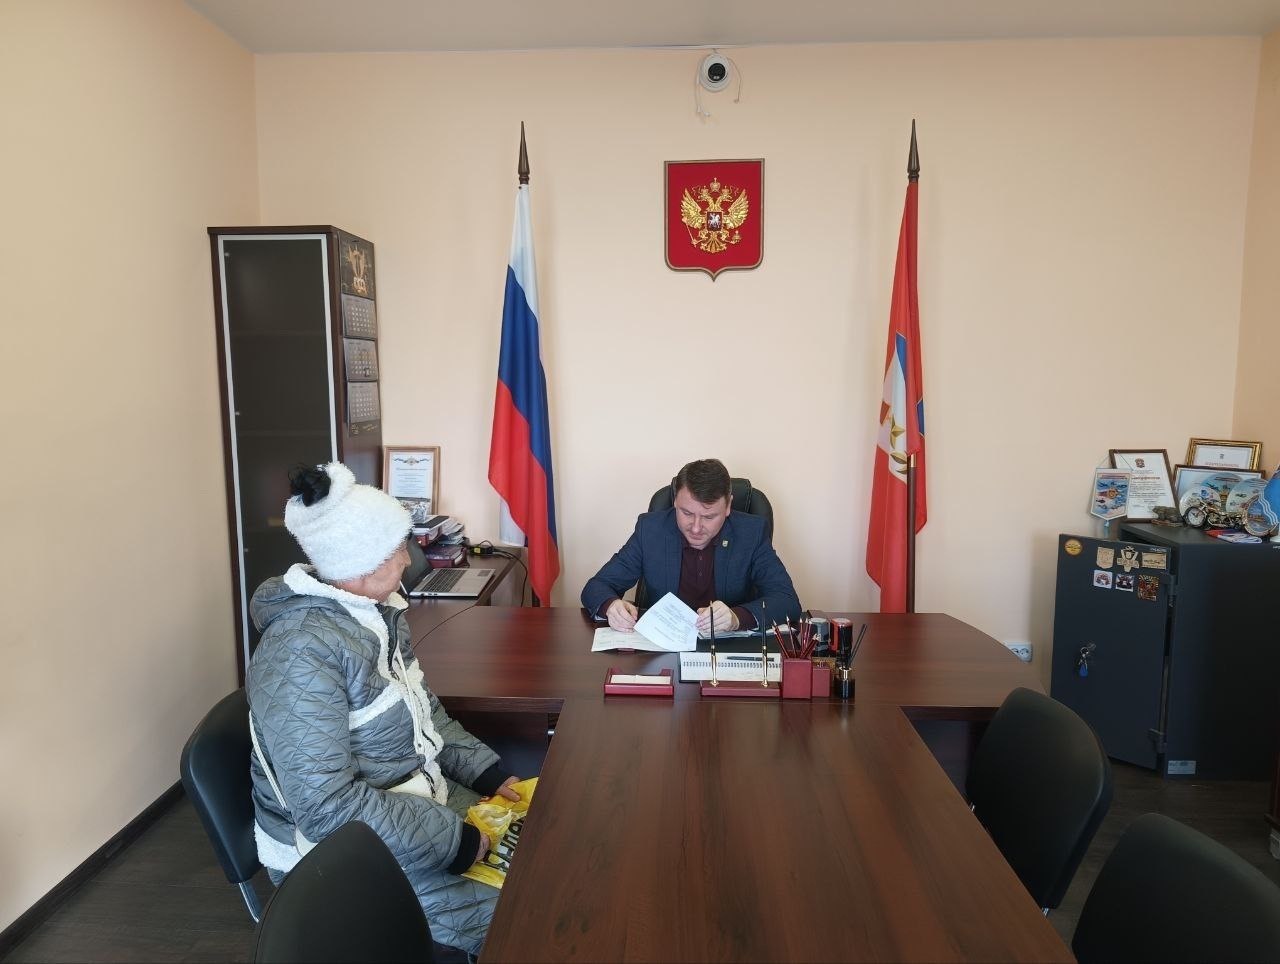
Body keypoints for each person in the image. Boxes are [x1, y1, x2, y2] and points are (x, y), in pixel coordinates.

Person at [246, 462, 521, 956]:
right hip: (342, 860)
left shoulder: (375, 615)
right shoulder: (300, 651)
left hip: (411, 810)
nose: (407, 559)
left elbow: (424, 714)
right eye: (398, 549)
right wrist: (453, 842)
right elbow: (328, 809)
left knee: (548, 854)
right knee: (537, 914)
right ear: (364, 564)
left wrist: (485, 773)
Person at [581, 458, 801, 633]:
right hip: (662, 651)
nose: (696, 528)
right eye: (686, 513)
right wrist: (611, 606)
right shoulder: (650, 530)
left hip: (726, 650)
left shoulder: (751, 533)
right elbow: (597, 586)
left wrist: (736, 617)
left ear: (728, 507)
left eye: (709, 517)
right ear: (675, 501)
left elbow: (786, 600)